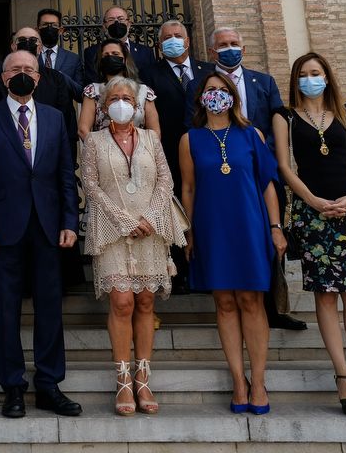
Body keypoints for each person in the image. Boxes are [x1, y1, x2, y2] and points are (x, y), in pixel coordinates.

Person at [0, 51, 82, 419]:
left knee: (50, 309)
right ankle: (13, 386)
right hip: (2, 230)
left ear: (38, 77)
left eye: (28, 69)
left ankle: (49, 384)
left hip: (48, 227)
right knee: (6, 311)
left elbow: (66, 174)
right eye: (15, 69)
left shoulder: (54, 117)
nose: (22, 74)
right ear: (3, 78)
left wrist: (70, 221)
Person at [272, 52, 346, 418]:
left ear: (327, 77)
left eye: (316, 73)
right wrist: (314, 201)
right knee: (325, 295)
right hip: (313, 211)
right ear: (295, 80)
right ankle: (342, 375)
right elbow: (285, 167)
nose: (310, 79)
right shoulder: (284, 116)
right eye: (303, 74)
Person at [181, 71, 286, 416]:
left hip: (250, 224)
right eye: (209, 90)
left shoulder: (251, 134)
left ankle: (258, 381)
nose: (215, 95)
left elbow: (268, 183)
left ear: (232, 96)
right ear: (200, 98)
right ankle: (238, 380)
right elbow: (189, 189)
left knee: (251, 300)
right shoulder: (190, 139)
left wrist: (275, 227)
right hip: (212, 227)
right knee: (224, 301)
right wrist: (189, 231)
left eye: (221, 90)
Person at [81, 77, 186, 415]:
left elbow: (166, 179)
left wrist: (151, 218)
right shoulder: (94, 141)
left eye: (127, 97)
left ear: (137, 105)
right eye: (115, 97)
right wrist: (125, 221)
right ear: (103, 104)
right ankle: (123, 378)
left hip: (150, 230)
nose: (121, 101)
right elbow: (91, 186)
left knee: (144, 300)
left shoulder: (151, 138)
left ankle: (143, 376)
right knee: (122, 301)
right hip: (112, 231)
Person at [190, 27, 305, 331]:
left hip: (256, 169)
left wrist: (271, 159)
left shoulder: (262, 81)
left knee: (268, 247)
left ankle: (276, 309)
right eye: (223, 45)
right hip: (215, 176)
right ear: (212, 51)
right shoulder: (198, 85)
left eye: (234, 44)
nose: (230, 48)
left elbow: (277, 118)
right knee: (228, 290)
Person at [145, 20, 211, 292]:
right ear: (160, 44)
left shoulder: (208, 71)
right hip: (169, 152)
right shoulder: (149, 74)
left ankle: (207, 268)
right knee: (173, 211)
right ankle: (180, 273)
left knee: (204, 207)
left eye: (177, 35)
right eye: (167, 37)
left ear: (187, 41)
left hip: (207, 151)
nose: (172, 39)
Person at [78, 40, 160, 139]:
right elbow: (83, 129)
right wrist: (96, 149)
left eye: (115, 54)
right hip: (103, 151)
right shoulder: (92, 91)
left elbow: (154, 131)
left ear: (125, 59)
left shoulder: (144, 91)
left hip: (139, 150)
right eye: (106, 55)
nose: (110, 57)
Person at [82, 6, 156, 85]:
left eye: (121, 19)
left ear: (129, 24)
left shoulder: (146, 52)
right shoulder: (92, 52)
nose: (116, 22)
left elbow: (152, 80)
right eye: (111, 20)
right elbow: (92, 80)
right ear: (104, 26)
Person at [36, 8, 85, 99]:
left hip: (64, 112)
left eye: (54, 25)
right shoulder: (30, 57)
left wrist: (61, 77)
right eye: (45, 25)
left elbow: (80, 94)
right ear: (37, 30)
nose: (49, 28)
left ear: (60, 30)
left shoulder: (73, 58)